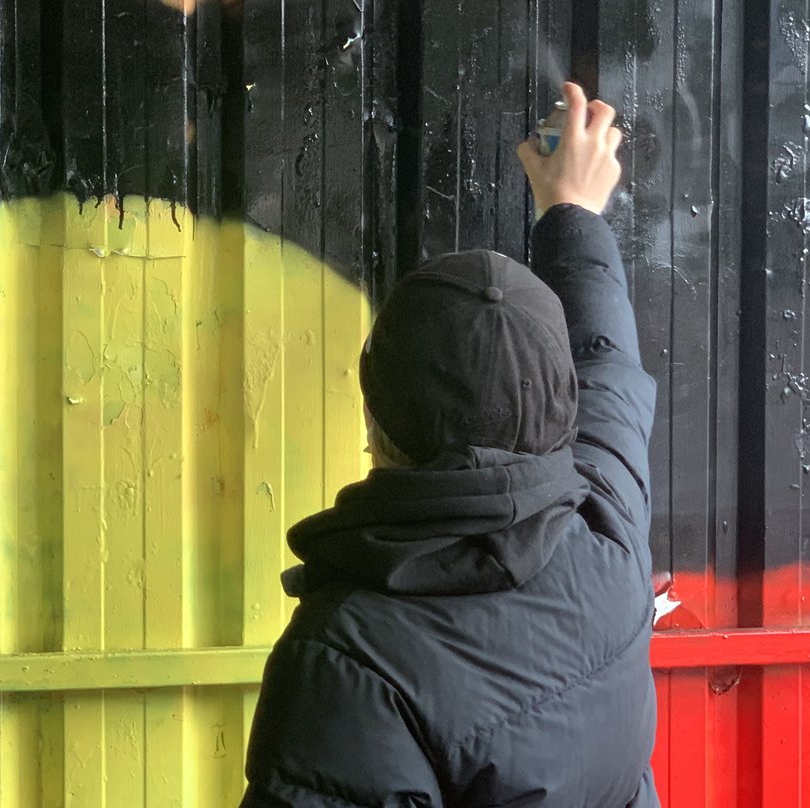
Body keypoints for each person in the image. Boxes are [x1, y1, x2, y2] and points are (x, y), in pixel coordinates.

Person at [240, 83, 659, 808]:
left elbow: (602, 374)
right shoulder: (607, 530)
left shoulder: (347, 656)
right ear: (565, 405)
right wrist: (573, 212)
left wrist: (569, 209)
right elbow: (607, 365)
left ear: (372, 419)